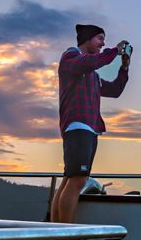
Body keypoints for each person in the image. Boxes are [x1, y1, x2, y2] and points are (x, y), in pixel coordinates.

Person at [50, 24, 131, 223]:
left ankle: (56, 229)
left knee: (70, 179)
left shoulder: (93, 76)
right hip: (78, 125)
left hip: (88, 128)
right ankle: (65, 233)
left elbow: (115, 90)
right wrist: (114, 51)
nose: (103, 43)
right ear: (87, 39)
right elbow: (90, 62)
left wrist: (125, 66)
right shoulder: (70, 57)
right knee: (78, 180)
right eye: (100, 39)